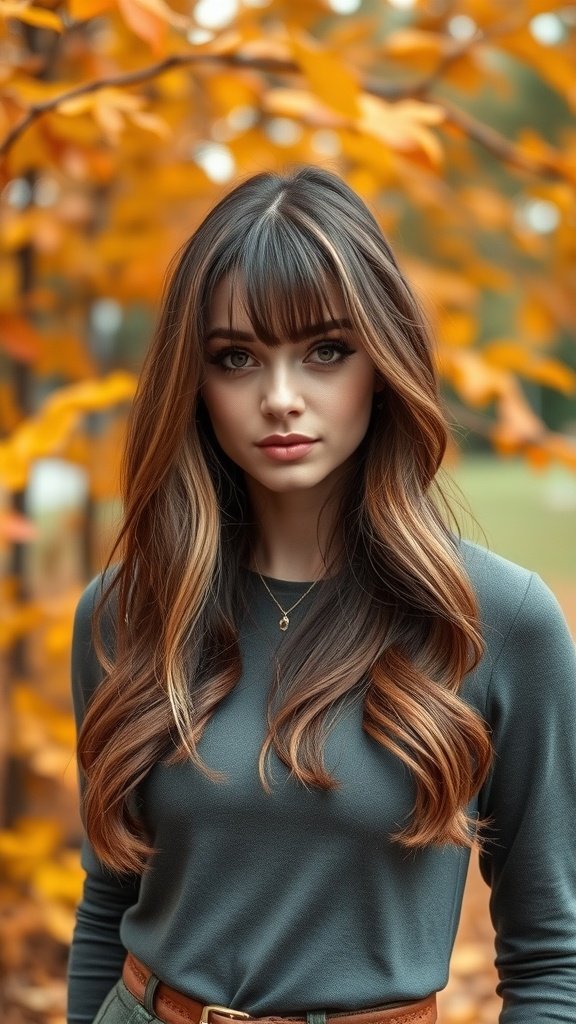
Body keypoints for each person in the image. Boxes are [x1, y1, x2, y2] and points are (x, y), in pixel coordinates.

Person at [67, 164, 576, 1024]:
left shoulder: (498, 622)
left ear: (383, 362)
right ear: (193, 383)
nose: (280, 398)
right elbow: (106, 906)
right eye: (236, 357)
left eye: (326, 351)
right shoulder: (124, 610)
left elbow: (553, 956)